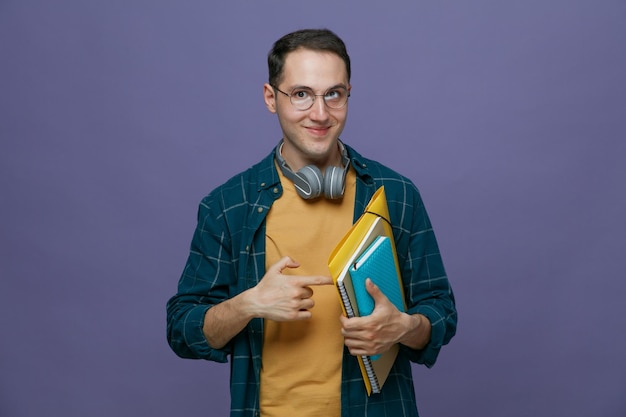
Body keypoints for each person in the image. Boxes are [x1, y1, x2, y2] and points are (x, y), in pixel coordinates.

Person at [166, 28, 457, 417]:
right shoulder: (228, 205)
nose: (320, 114)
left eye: (333, 94)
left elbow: (441, 312)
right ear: (272, 98)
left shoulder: (396, 195)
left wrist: (404, 327)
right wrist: (247, 304)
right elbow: (182, 330)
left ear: (348, 94)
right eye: (301, 94)